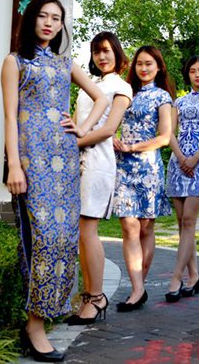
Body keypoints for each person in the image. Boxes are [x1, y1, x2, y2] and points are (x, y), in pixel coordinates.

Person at [2, 0, 108, 362]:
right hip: (31, 159)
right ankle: (34, 326)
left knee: (63, 240)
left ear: (62, 25)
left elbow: (100, 98)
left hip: (63, 159)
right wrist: (14, 165)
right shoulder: (15, 61)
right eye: (43, 16)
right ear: (31, 20)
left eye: (56, 18)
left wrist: (81, 129)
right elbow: (9, 117)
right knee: (42, 239)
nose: (49, 23)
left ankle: (45, 315)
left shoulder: (66, 63)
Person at [62, 32, 132, 325]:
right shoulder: (88, 87)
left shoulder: (122, 86)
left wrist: (71, 144)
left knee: (87, 230)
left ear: (116, 53)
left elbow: (107, 129)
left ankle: (97, 296)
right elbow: (77, 124)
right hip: (75, 163)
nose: (101, 57)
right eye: (95, 52)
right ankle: (89, 296)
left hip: (97, 163)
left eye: (106, 51)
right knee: (80, 232)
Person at [111, 45, 174, 312]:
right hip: (123, 167)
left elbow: (165, 137)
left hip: (148, 168)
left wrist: (133, 147)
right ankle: (136, 289)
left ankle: (141, 284)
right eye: (139, 64)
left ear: (158, 67)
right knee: (129, 227)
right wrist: (111, 136)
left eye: (149, 64)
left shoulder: (163, 97)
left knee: (146, 227)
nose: (144, 68)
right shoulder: (125, 93)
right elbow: (110, 121)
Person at [163, 55, 199, 302]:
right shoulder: (178, 101)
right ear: (188, 75)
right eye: (192, 71)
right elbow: (169, 132)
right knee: (182, 223)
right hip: (178, 164)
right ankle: (194, 275)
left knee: (189, 220)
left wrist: (195, 159)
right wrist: (180, 157)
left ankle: (176, 277)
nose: (197, 74)